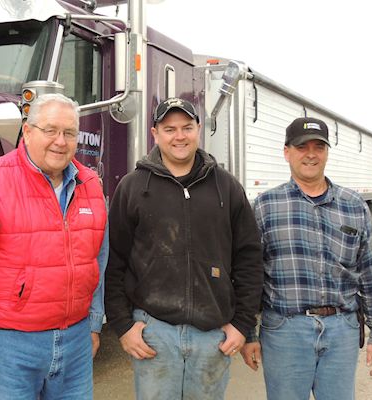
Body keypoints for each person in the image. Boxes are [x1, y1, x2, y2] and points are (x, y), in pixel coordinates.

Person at [0, 93, 108, 399]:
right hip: (8, 348)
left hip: (75, 345)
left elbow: (97, 260)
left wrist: (93, 324)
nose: (60, 141)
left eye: (69, 133)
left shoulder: (90, 185)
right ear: (28, 131)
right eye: (50, 130)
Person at [105, 97, 264, 399]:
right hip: (154, 333)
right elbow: (114, 261)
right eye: (170, 129)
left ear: (198, 130)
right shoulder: (132, 187)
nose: (180, 136)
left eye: (187, 127)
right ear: (155, 133)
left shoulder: (227, 188)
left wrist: (242, 324)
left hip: (212, 336)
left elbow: (249, 259)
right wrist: (124, 326)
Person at [240, 117, 372, 400]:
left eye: (318, 147)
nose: (311, 154)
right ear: (287, 152)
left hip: (341, 330)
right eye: (302, 147)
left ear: (326, 153)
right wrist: (248, 333)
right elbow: (249, 276)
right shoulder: (264, 207)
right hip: (285, 330)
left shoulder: (354, 206)